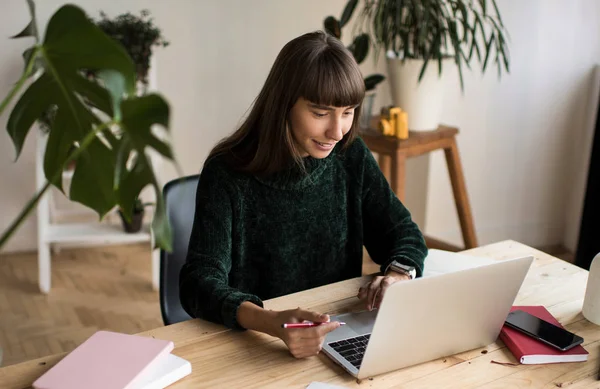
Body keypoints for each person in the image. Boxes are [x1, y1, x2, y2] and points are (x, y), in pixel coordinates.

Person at [179, 30, 427, 359]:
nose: (337, 132)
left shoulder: (349, 155)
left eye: (348, 111)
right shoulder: (228, 174)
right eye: (321, 113)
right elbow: (198, 284)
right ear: (284, 104)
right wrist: (269, 321)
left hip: (335, 335)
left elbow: (403, 232)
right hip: (254, 344)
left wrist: (397, 275)